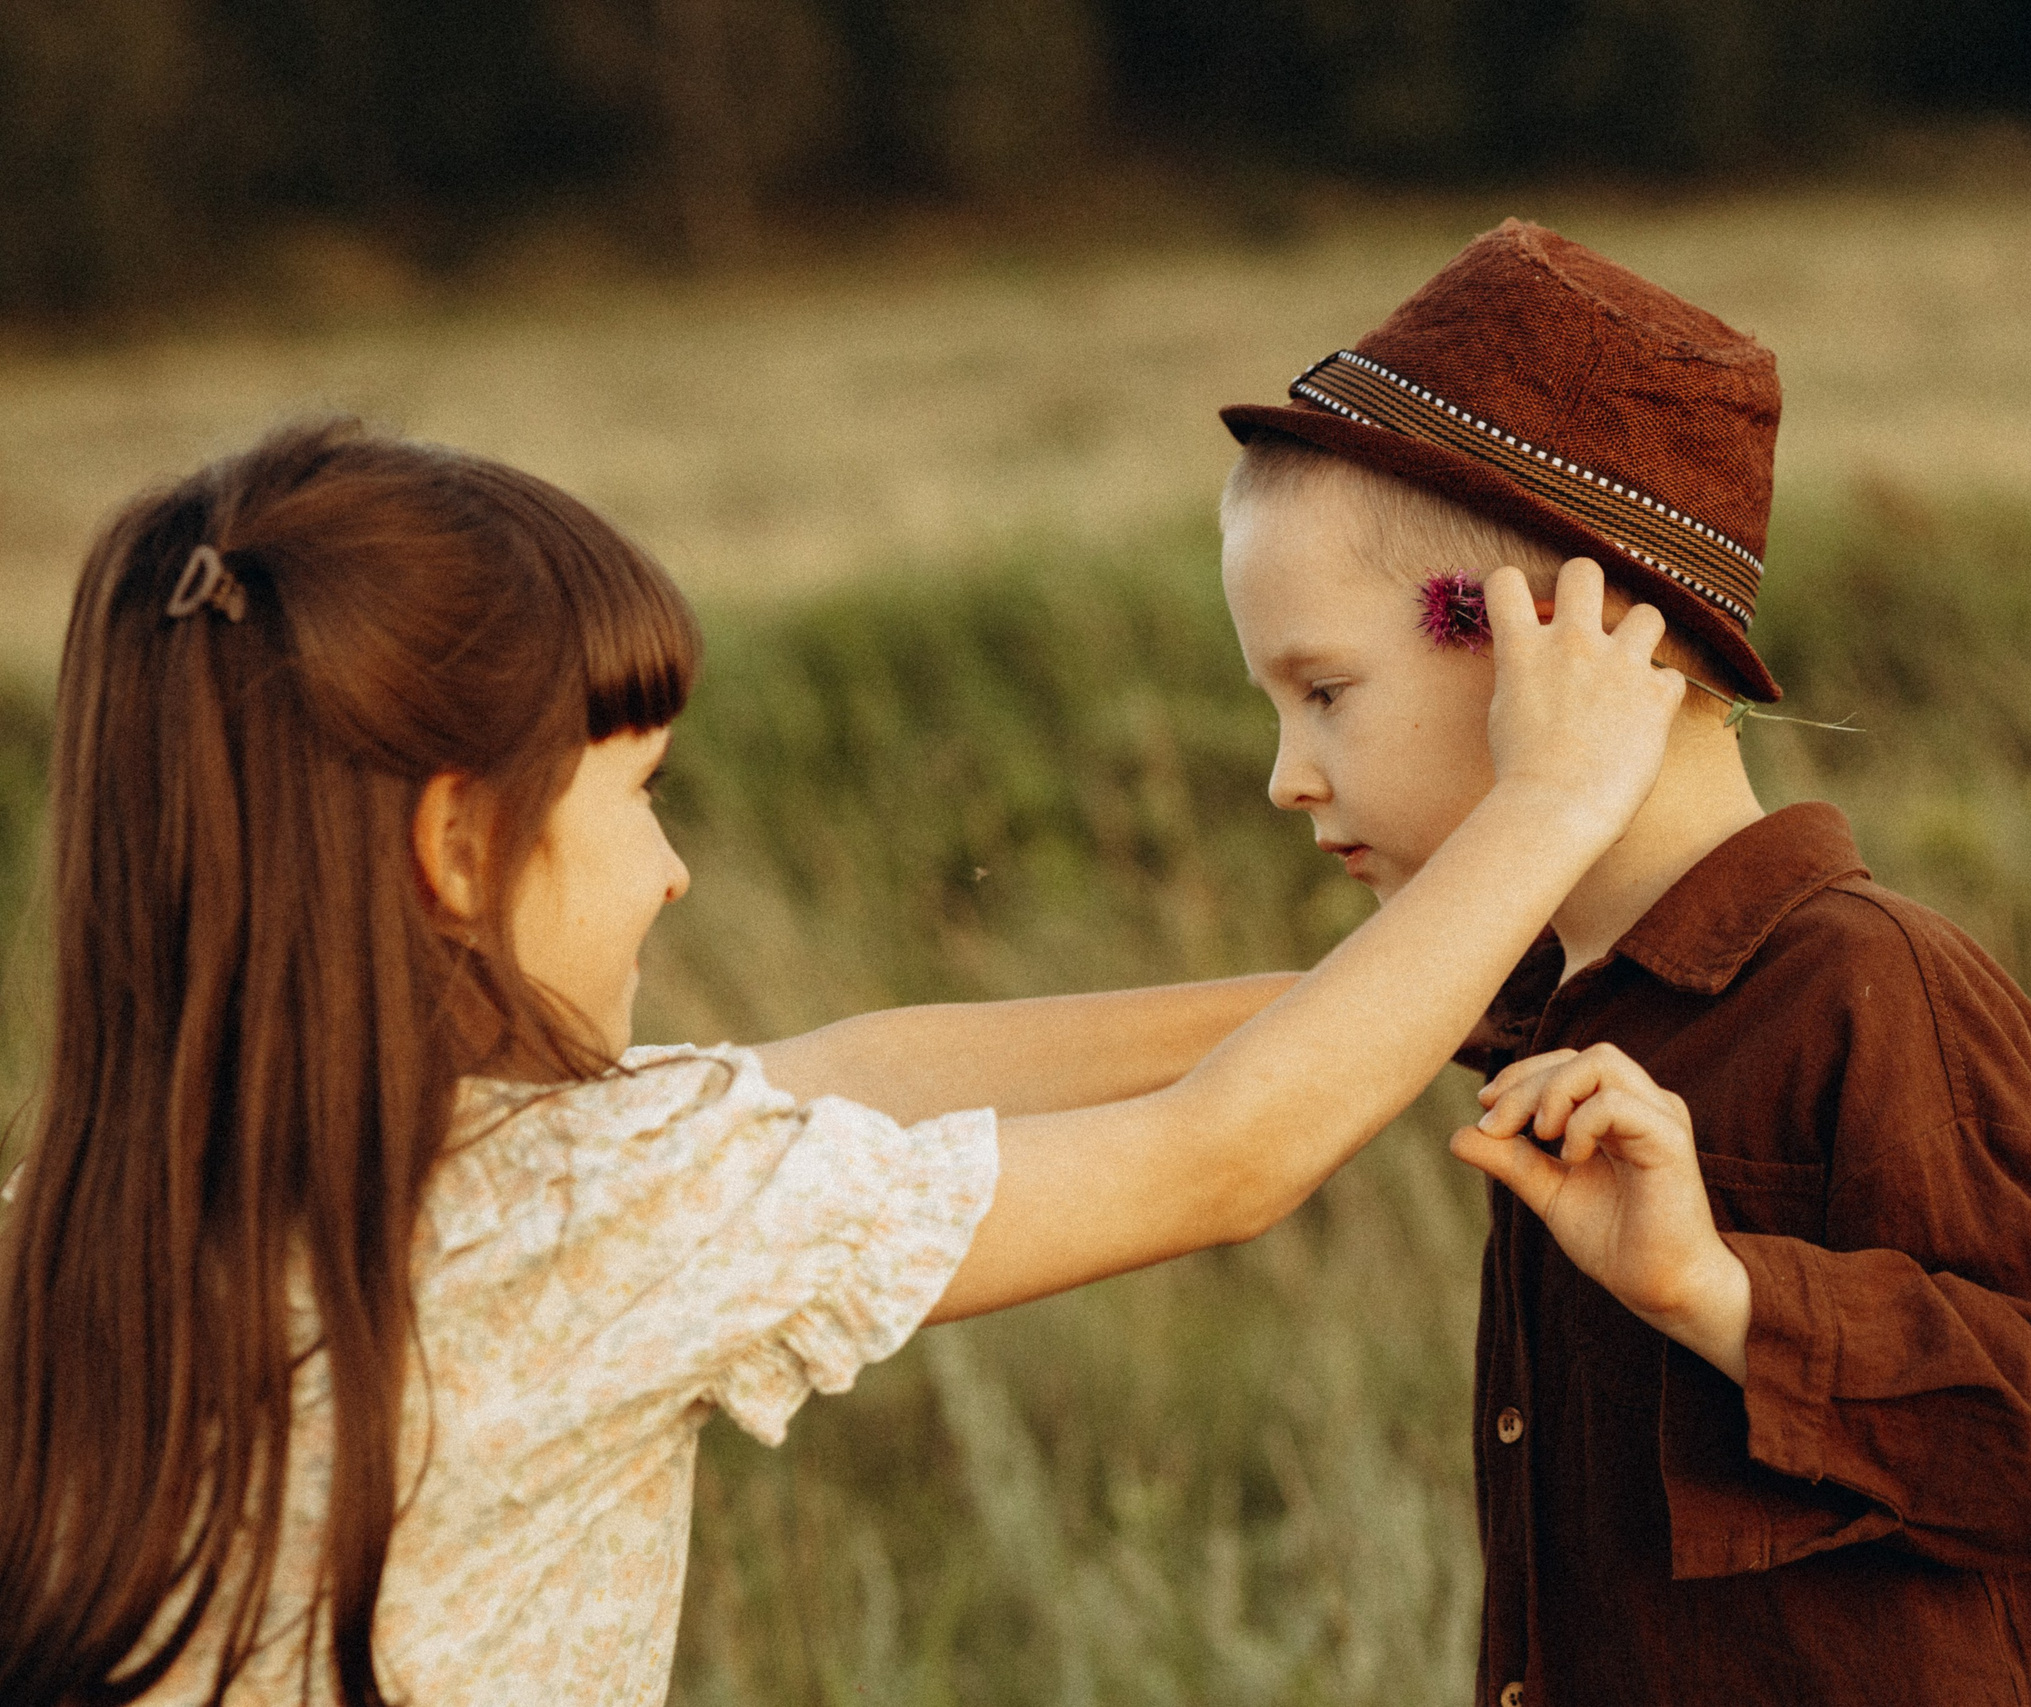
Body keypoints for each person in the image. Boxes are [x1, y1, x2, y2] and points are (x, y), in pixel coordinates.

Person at [0, 418, 1686, 1705]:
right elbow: (1220, 1159)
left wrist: (1459, 1001)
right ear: (456, 848)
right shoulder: (585, 1211)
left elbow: (859, 1068)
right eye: (639, 792)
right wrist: (1544, 814)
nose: (668, 871)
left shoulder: (79, 1226)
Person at [1217, 220, 2031, 1706]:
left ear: (1561, 639)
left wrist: (1718, 1291)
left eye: (1323, 692)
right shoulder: (1539, 1013)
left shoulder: (1866, 988)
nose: (1287, 776)